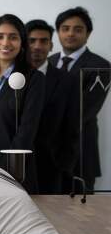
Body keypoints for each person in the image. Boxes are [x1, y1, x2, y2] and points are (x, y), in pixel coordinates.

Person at [48, 7, 111, 192]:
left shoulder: (100, 67)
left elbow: (84, 111)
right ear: (58, 32)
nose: (70, 34)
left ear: (88, 33)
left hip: (80, 152)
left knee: (81, 214)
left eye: (78, 29)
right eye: (65, 28)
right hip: (47, 152)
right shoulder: (48, 62)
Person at [0, 14, 45, 194]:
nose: (5, 43)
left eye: (13, 37)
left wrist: (11, 165)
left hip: (12, 160)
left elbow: (27, 129)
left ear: (22, 43)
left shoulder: (34, 79)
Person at [26, 19, 79, 194]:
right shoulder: (12, 77)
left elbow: (72, 127)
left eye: (43, 41)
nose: (37, 46)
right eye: (32, 40)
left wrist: (65, 166)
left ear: (51, 45)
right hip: (17, 162)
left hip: (53, 167)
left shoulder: (67, 80)